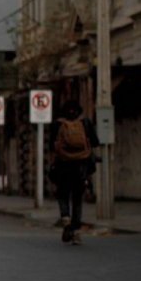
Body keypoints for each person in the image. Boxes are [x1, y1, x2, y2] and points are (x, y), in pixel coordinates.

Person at [49, 100, 99, 245]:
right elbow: (95, 142)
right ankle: (76, 231)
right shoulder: (85, 123)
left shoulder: (58, 124)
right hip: (81, 167)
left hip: (62, 166)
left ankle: (65, 219)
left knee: (62, 194)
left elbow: (52, 146)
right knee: (77, 198)